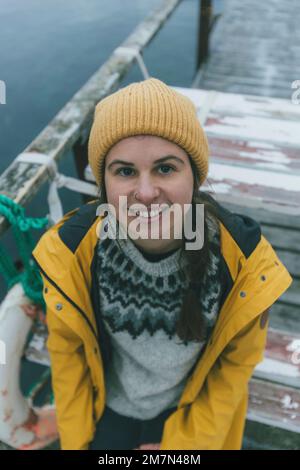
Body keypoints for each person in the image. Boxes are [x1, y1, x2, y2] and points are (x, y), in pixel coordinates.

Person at [32, 77, 293, 450]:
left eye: (165, 168)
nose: (146, 192)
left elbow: (233, 368)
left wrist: (181, 447)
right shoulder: (74, 252)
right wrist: (77, 441)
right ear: (104, 183)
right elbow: (68, 353)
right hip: (106, 406)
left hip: (189, 412)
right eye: (124, 171)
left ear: (194, 176)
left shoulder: (240, 261)